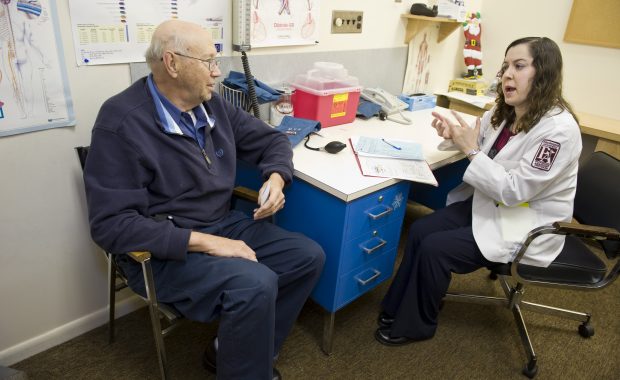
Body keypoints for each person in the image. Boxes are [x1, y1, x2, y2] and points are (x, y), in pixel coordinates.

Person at [83, 19, 325, 380]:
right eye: (209, 62)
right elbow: (111, 226)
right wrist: (208, 244)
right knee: (255, 283)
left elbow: (273, 140)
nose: (217, 73)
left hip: (221, 225)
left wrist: (276, 175)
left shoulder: (211, 105)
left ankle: (237, 352)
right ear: (173, 63)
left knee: (307, 257)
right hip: (165, 249)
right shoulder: (121, 122)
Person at [375, 37, 582, 345]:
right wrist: (453, 136)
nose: (507, 74)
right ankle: (399, 307)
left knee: (436, 249)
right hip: (491, 206)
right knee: (421, 229)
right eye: (506, 66)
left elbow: (514, 191)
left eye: (519, 66)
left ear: (545, 74)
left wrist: (470, 149)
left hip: (524, 223)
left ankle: (418, 324)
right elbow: (475, 140)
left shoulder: (558, 132)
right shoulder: (508, 111)